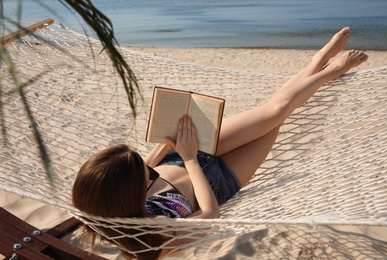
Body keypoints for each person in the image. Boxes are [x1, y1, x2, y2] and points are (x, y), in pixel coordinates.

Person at [72, 27, 368, 259]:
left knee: (272, 110)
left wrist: (168, 140)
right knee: (279, 116)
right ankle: (324, 69)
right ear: (126, 195)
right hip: (221, 179)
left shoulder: (114, 195)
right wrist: (189, 159)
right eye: (145, 176)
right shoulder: (154, 239)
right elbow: (209, 216)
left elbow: (150, 165)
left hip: (185, 153)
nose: (149, 172)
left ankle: (320, 65)